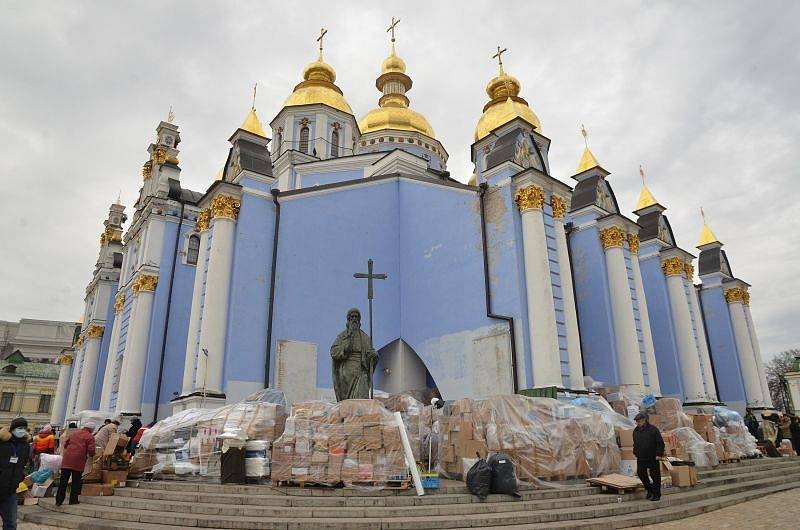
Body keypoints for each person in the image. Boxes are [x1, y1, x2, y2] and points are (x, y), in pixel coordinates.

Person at [0, 417, 31, 530]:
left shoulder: (25, 446)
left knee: (11, 524)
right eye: (19, 428)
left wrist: (20, 477)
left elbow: (22, 464)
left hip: (11, 490)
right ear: (12, 429)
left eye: (24, 428)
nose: (22, 430)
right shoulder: (2, 442)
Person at [55, 422, 96, 506]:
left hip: (67, 459)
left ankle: (59, 500)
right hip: (78, 460)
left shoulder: (74, 433)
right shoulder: (90, 436)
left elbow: (65, 444)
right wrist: (92, 454)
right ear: (91, 429)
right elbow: (91, 450)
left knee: (63, 481)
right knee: (76, 481)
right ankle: (73, 500)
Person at [633, 411, 664, 501]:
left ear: (644, 420)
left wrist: (659, 454)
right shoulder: (636, 431)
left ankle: (657, 494)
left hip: (653, 456)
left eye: (638, 421)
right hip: (641, 457)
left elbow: (660, 443)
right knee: (641, 473)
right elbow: (635, 443)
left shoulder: (653, 429)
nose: (637, 423)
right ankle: (650, 490)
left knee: (655, 476)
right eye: (636, 421)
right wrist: (635, 451)